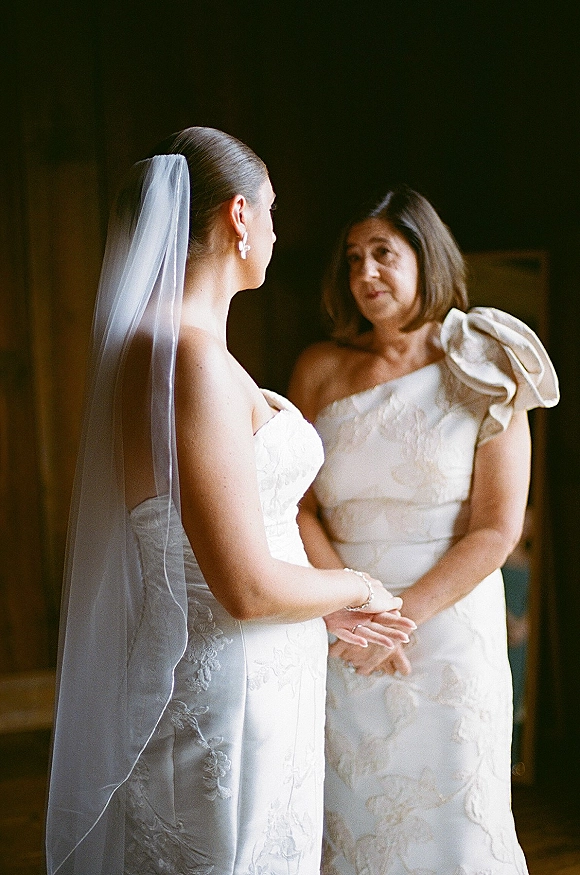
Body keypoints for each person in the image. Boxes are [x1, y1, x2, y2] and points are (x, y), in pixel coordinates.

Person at [44, 129, 414, 875]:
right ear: (239, 216)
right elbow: (242, 586)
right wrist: (361, 584)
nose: (277, 231)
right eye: (271, 210)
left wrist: (318, 607)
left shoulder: (170, 348)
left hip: (257, 672)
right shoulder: (188, 358)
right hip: (232, 690)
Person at [289, 186, 559, 875]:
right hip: (342, 622)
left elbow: (499, 526)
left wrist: (400, 618)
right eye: (353, 259)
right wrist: (346, 612)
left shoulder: (484, 363)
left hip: (446, 624)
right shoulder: (319, 370)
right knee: (356, 813)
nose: (365, 274)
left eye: (384, 253)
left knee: (453, 817)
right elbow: (297, 505)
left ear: (426, 255)